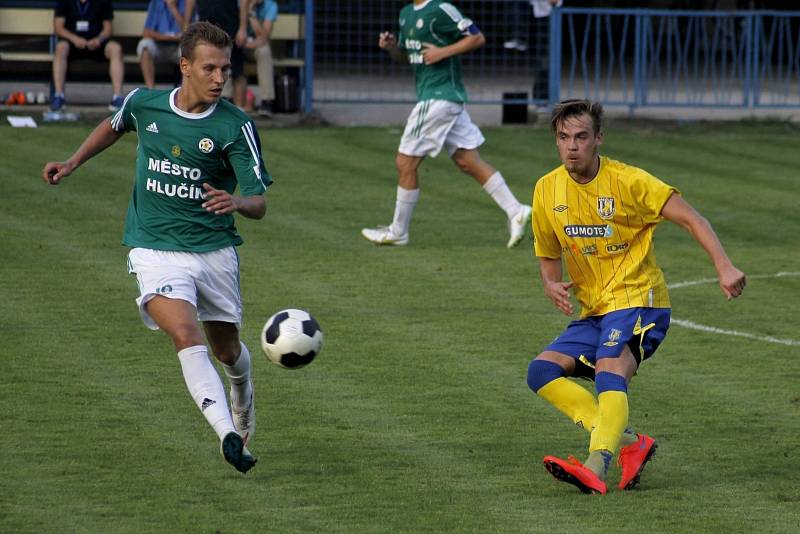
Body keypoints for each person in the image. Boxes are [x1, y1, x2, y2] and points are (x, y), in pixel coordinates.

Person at [42, 21, 272, 474]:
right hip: (154, 248)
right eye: (209, 68)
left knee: (226, 350)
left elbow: (259, 201)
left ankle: (242, 394)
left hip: (214, 252)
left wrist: (238, 201)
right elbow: (114, 127)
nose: (219, 78)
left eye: (224, 69)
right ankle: (227, 432)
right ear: (184, 66)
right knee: (185, 335)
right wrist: (71, 163)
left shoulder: (235, 126)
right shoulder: (143, 104)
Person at [527, 99, 746, 494]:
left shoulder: (628, 182)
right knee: (540, 372)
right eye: (563, 138)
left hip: (641, 301)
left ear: (598, 139)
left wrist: (724, 266)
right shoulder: (546, 189)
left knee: (611, 368)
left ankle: (596, 463)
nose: (572, 147)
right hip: (596, 310)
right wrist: (550, 282)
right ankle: (629, 441)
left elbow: (693, 218)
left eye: (581, 137)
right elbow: (547, 249)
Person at [361, 0, 532, 249]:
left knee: (405, 162)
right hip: (439, 98)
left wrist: (443, 52)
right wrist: (391, 47)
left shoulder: (441, 9)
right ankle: (516, 210)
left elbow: (477, 37)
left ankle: (398, 232)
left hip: (439, 97)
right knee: (467, 161)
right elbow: (408, 58)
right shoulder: (405, 14)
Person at [51, 0, 125, 111]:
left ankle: (117, 97)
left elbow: (108, 28)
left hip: (96, 44)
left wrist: (98, 40)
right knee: (60, 48)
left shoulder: (103, 2)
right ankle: (59, 96)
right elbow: (58, 28)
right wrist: (74, 39)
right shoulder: (64, 2)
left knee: (116, 48)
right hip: (73, 43)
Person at [184, 0, 250, 109]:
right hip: (204, 29)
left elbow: (244, 2)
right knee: (204, 69)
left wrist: (243, 28)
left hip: (231, 25)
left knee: (237, 71)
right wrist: (186, 24)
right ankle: (201, 109)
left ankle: (240, 112)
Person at [137, 0, 186, 89]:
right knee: (145, 46)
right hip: (159, 46)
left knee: (189, 50)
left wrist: (173, 8)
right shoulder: (155, 3)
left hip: (179, 46)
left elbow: (188, 31)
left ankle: (186, 93)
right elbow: (146, 32)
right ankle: (151, 91)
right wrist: (169, 37)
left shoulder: (187, 3)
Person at [243, 0, 278, 117]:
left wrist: (251, 13)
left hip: (254, 47)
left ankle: (266, 101)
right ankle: (226, 98)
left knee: (264, 51)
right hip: (237, 46)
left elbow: (264, 37)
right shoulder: (238, 3)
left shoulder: (271, 5)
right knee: (226, 51)